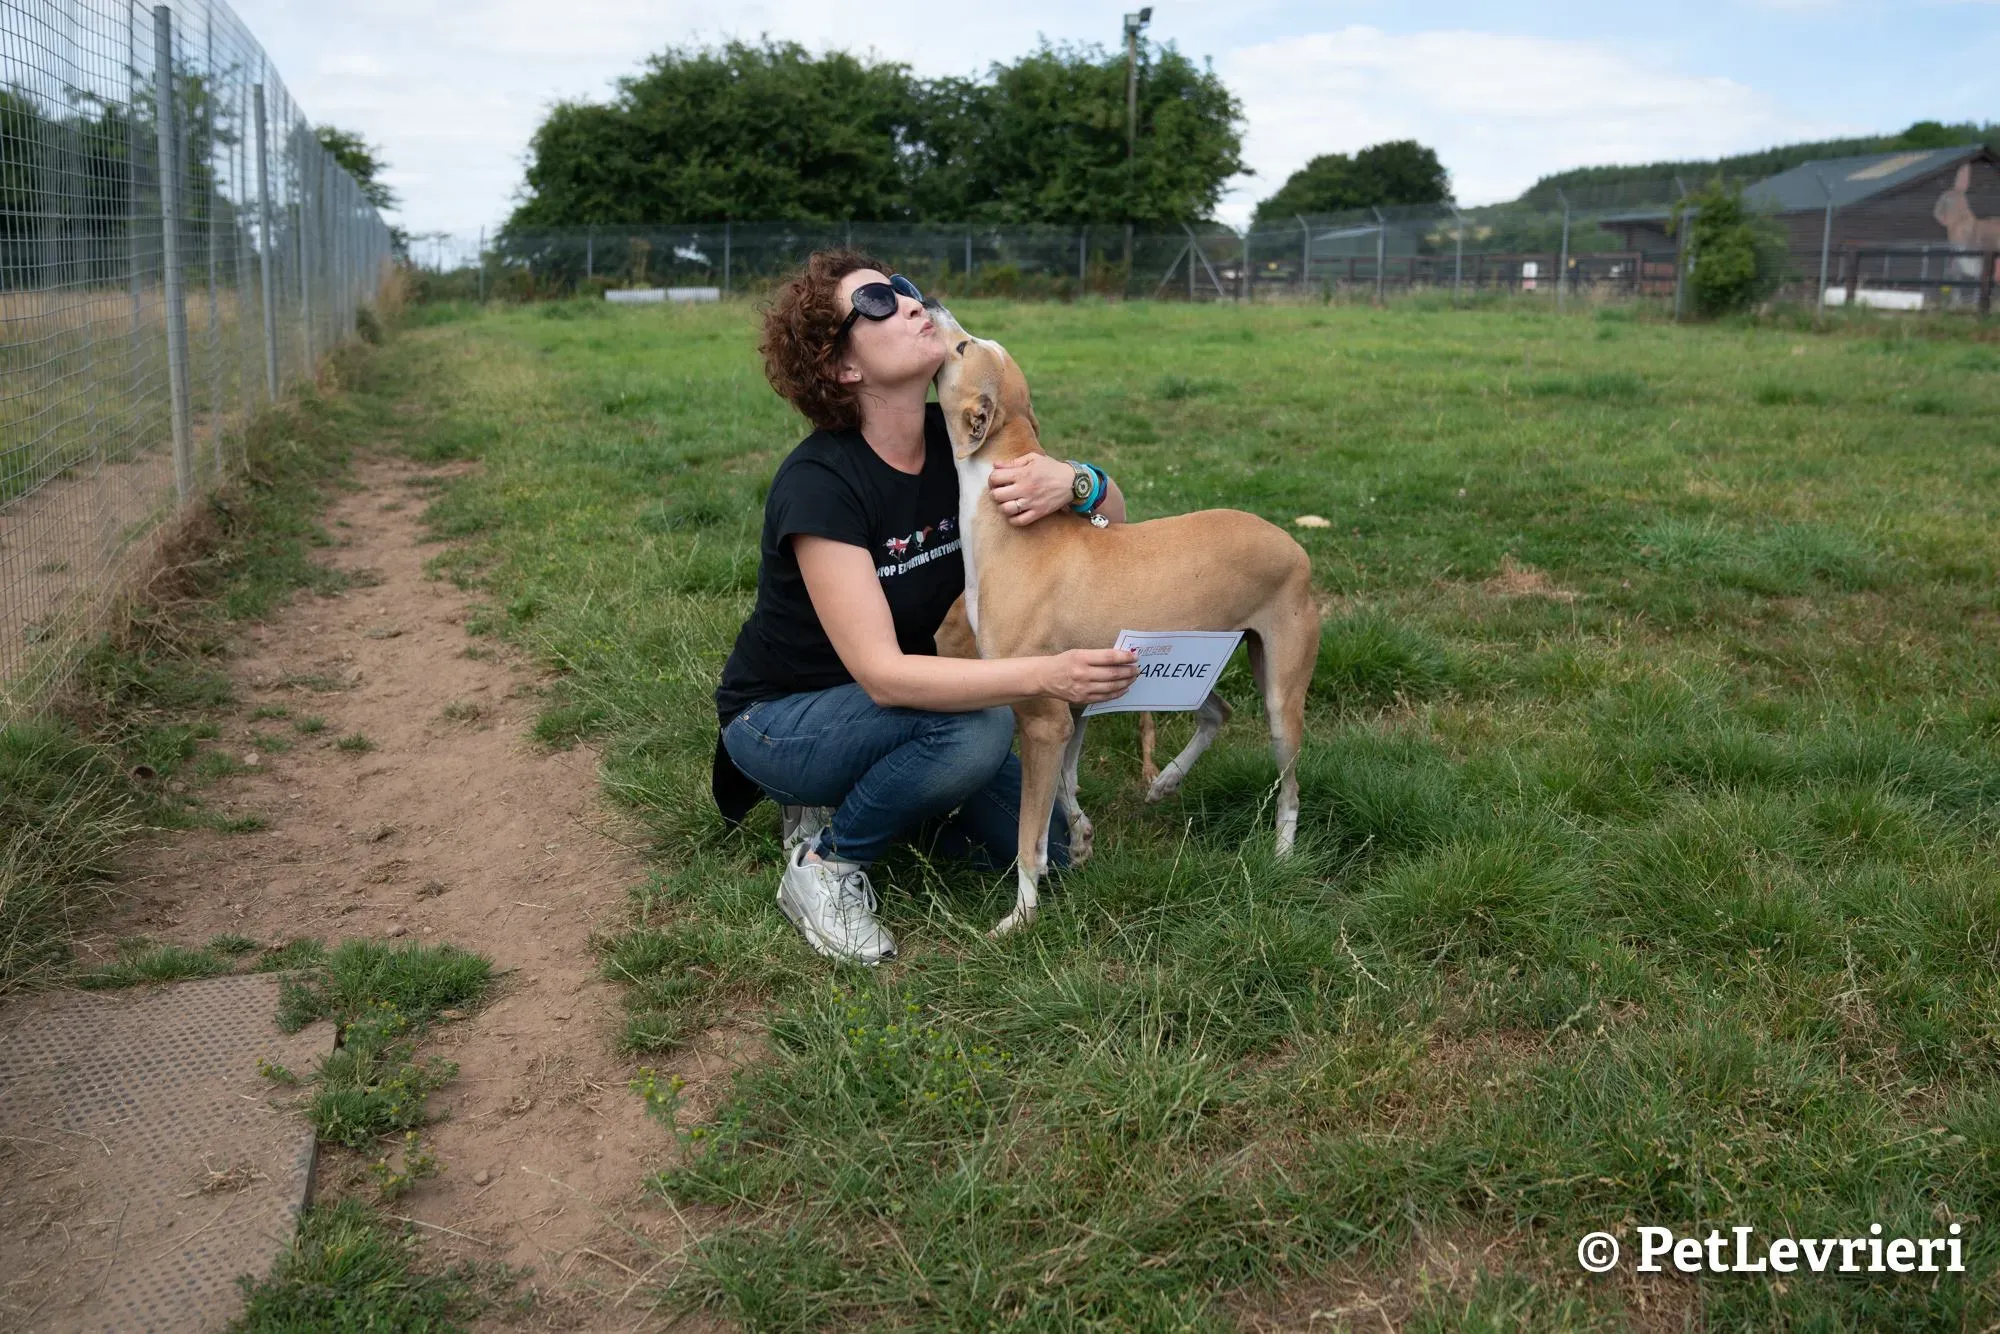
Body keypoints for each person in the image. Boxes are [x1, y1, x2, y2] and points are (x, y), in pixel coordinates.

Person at [713, 251, 1138, 964]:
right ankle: (826, 863)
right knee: (978, 727)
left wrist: (1077, 482)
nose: (912, 303)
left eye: (904, 290)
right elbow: (884, 676)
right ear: (843, 367)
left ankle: (889, 792)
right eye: (877, 304)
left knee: (1054, 852)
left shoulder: (962, 440)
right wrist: (1048, 674)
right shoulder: (819, 484)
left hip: (905, 705)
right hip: (783, 718)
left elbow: (1112, 529)